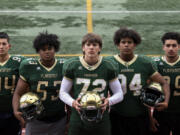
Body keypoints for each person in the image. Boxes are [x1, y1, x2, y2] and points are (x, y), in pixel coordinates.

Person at [108, 27, 170, 135]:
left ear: (135, 44)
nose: (126, 45)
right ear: (118, 44)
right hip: (117, 114)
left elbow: (163, 83)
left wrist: (166, 102)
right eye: (123, 42)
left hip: (140, 115)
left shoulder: (145, 62)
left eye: (130, 42)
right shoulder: (109, 63)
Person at [59, 33, 124, 135]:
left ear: (100, 48)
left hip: (101, 116)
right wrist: (73, 102)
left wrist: (108, 101)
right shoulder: (72, 65)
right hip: (78, 116)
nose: (91, 48)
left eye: (95, 45)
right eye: (88, 45)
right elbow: (62, 92)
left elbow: (119, 94)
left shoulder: (108, 65)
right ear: (83, 48)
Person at [12, 31, 66, 135]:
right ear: (38, 51)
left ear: (55, 49)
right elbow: (18, 92)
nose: (47, 52)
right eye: (43, 49)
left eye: (50, 49)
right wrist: (15, 110)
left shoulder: (64, 66)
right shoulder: (29, 66)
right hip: (34, 119)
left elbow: (70, 93)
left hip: (59, 119)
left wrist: (70, 117)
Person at [150, 32, 180, 135]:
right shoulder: (154, 63)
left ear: (179, 47)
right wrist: (149, 117)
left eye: (174, 45)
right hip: (161, 111)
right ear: (163, 47)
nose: (171, 48)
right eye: (168, 45)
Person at [0, 32, 24, 135]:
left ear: (9, 46)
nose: (1, 47)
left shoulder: (19, 62)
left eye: (4, 44)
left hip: (12, 111)